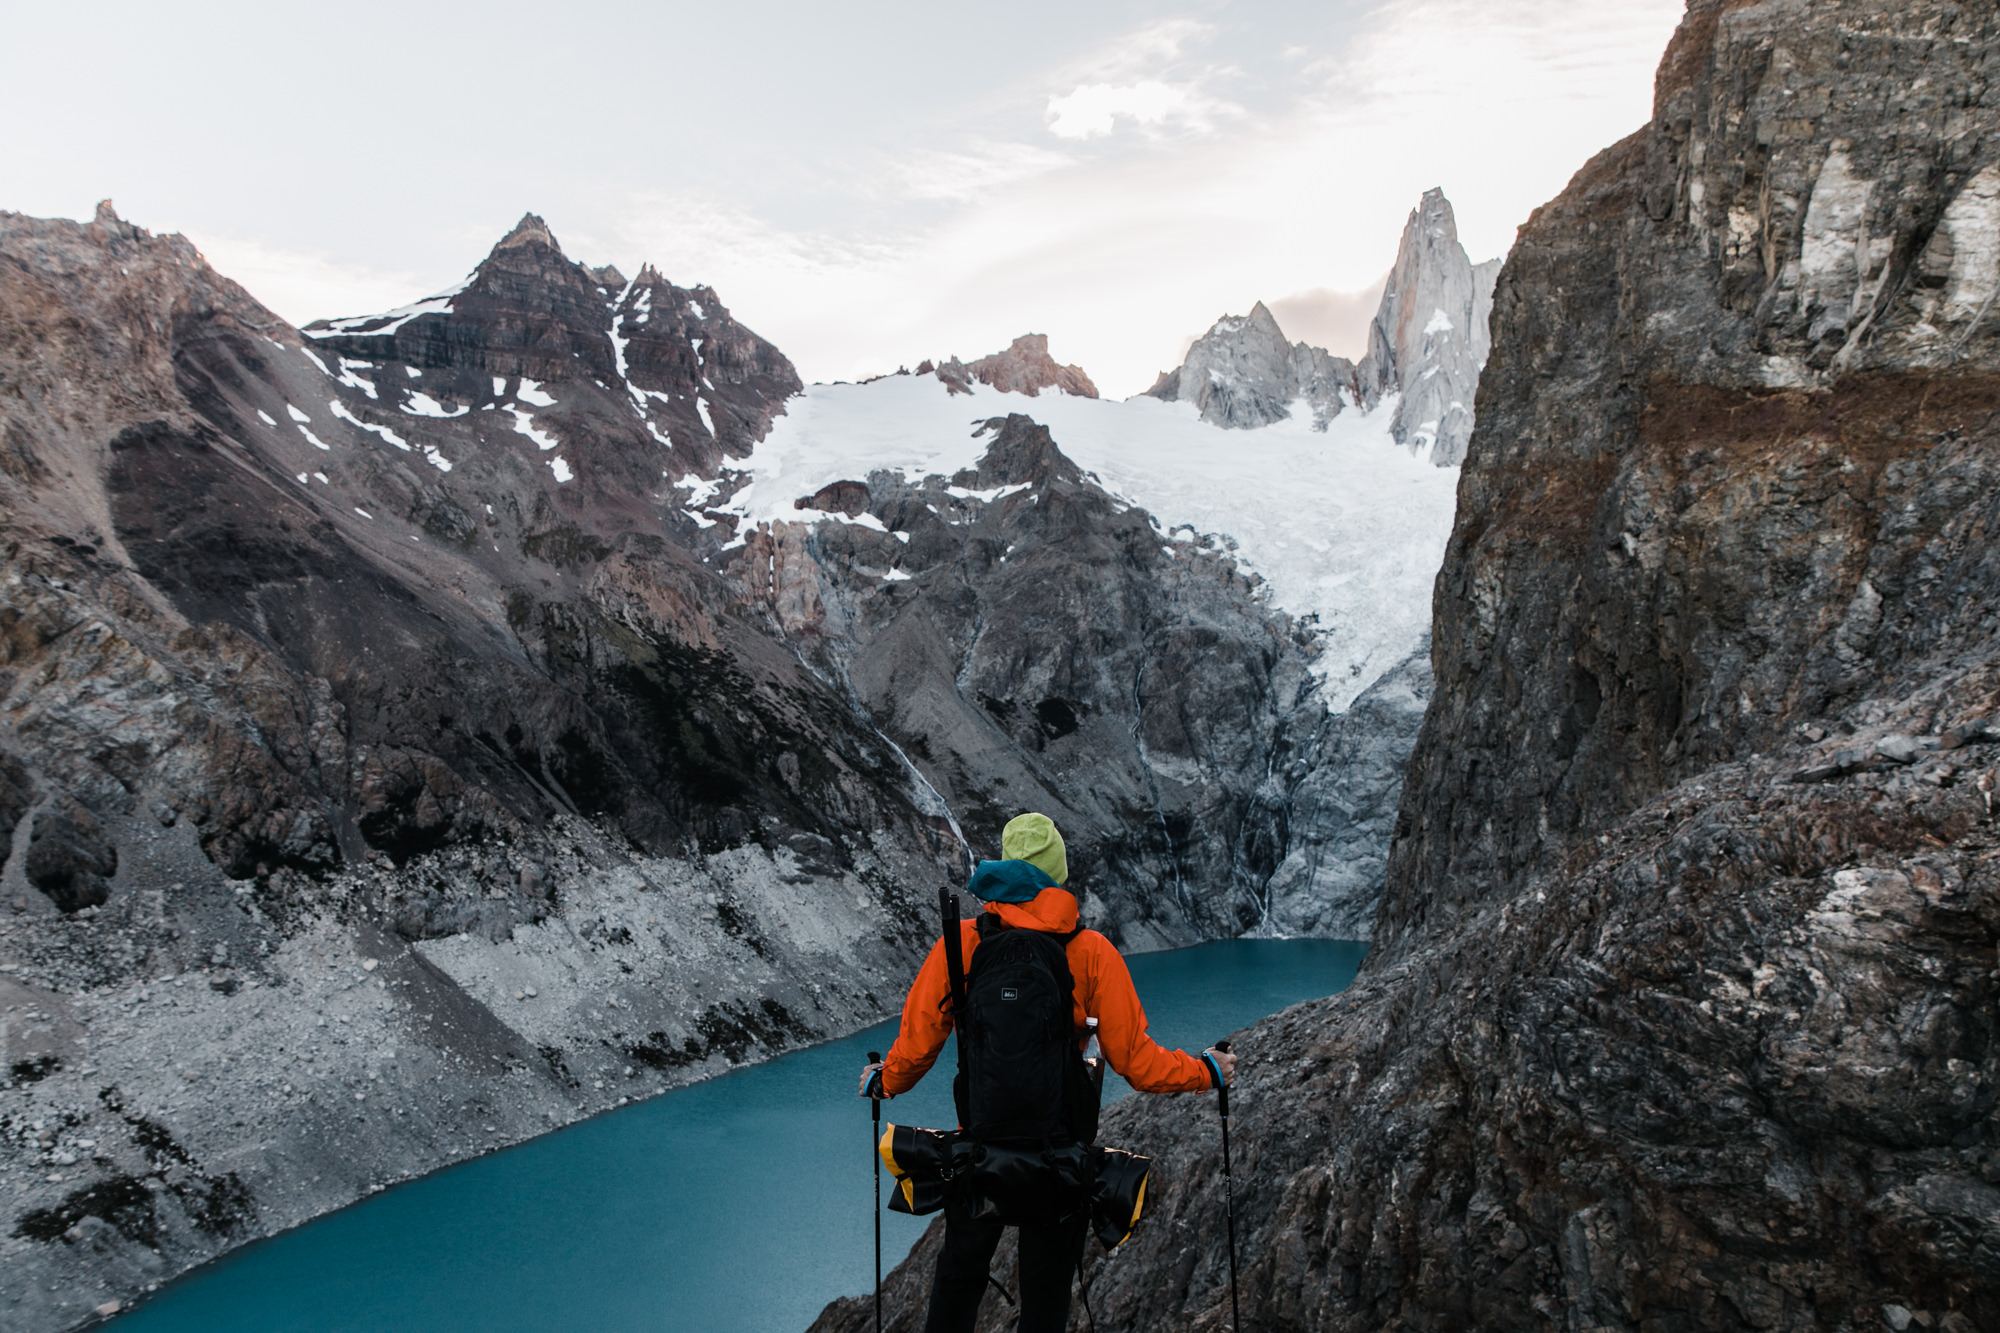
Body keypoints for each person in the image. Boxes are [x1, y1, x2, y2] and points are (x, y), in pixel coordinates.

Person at [859, 812, 1238, 1333]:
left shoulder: (962, 943)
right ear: (1057, 873)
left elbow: (919, 1042)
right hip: (1059, 1159)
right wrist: (1206, 1071)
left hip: (979, 1151)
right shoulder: (1091, 952)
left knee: (957, 1280)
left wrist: (885, 1080)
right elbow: (1137, 1064)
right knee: (1047, 1298)